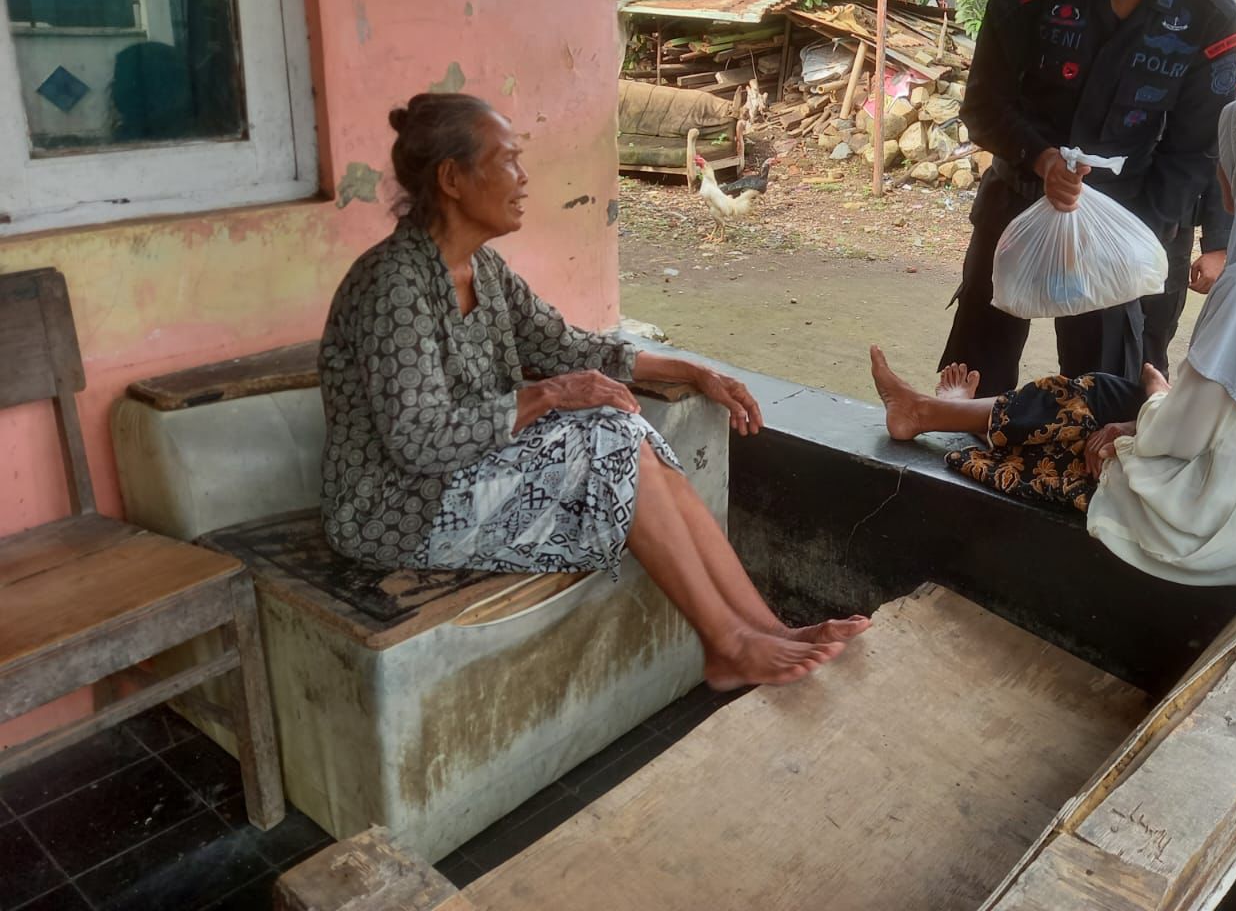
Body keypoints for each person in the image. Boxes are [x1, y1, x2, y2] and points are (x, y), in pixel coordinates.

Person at [319, 92, 868, 689]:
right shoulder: (393, 285)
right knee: (608, 435)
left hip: (465, 475)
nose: (524, 178)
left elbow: (568, 345)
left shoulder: (485, 270)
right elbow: (418, 442)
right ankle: (728, 643)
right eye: (507, 160)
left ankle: (767, 629)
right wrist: (546, 396)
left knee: (625, 428)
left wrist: (690, 371)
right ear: (452, 178)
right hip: (398, 510)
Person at [872, 81, 1236, 587]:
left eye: (1234, 154)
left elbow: (1182, 435)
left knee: (1089, 407)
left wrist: (1151, 408)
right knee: (1124, 402)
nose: (1222, 171)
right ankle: (944, 413)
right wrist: (1156, 409)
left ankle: (931, 414)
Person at [942, 0, 1236, 396]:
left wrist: (1131, 238)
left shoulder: (1210, 23)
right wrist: (1041, 159)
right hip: (1021, 203)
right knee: (975, 374)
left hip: (1137, 219)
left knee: (1110, 392)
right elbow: (983, 106)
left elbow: (1199, 150)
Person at [1140, 168, 1231, 376]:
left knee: (1152, 346)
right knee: (1086, 340)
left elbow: (1216, 156)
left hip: (1169, 225)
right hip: (1094, 222)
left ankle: (1148, 402)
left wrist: (1217, 245)